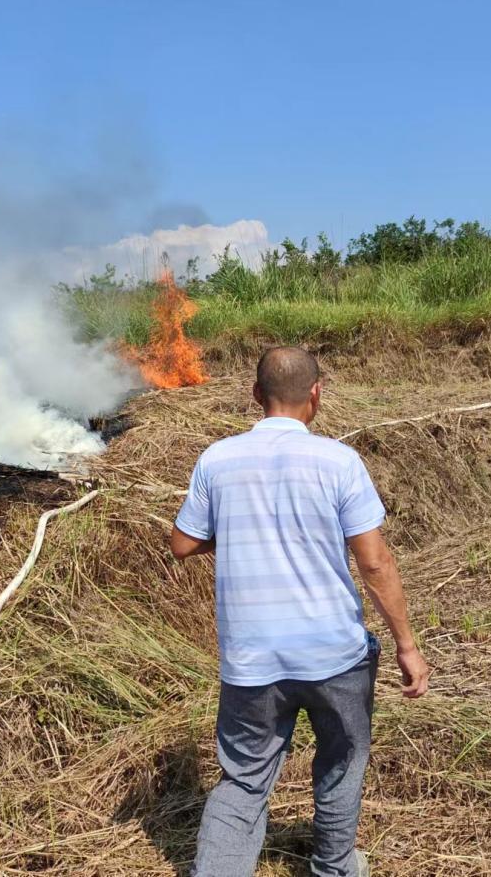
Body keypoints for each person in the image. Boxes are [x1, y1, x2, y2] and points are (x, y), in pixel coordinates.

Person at [170, 346, 430, 877]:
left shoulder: (216, 460)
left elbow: (182, 543)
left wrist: (244, 533)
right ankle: (334, 867)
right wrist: (406, 644)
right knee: (341, 760)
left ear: (255, 395)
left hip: (251, 658)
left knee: (244, 779)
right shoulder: (338, 462)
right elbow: (375, 563)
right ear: (316, 393)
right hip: (334, 653)